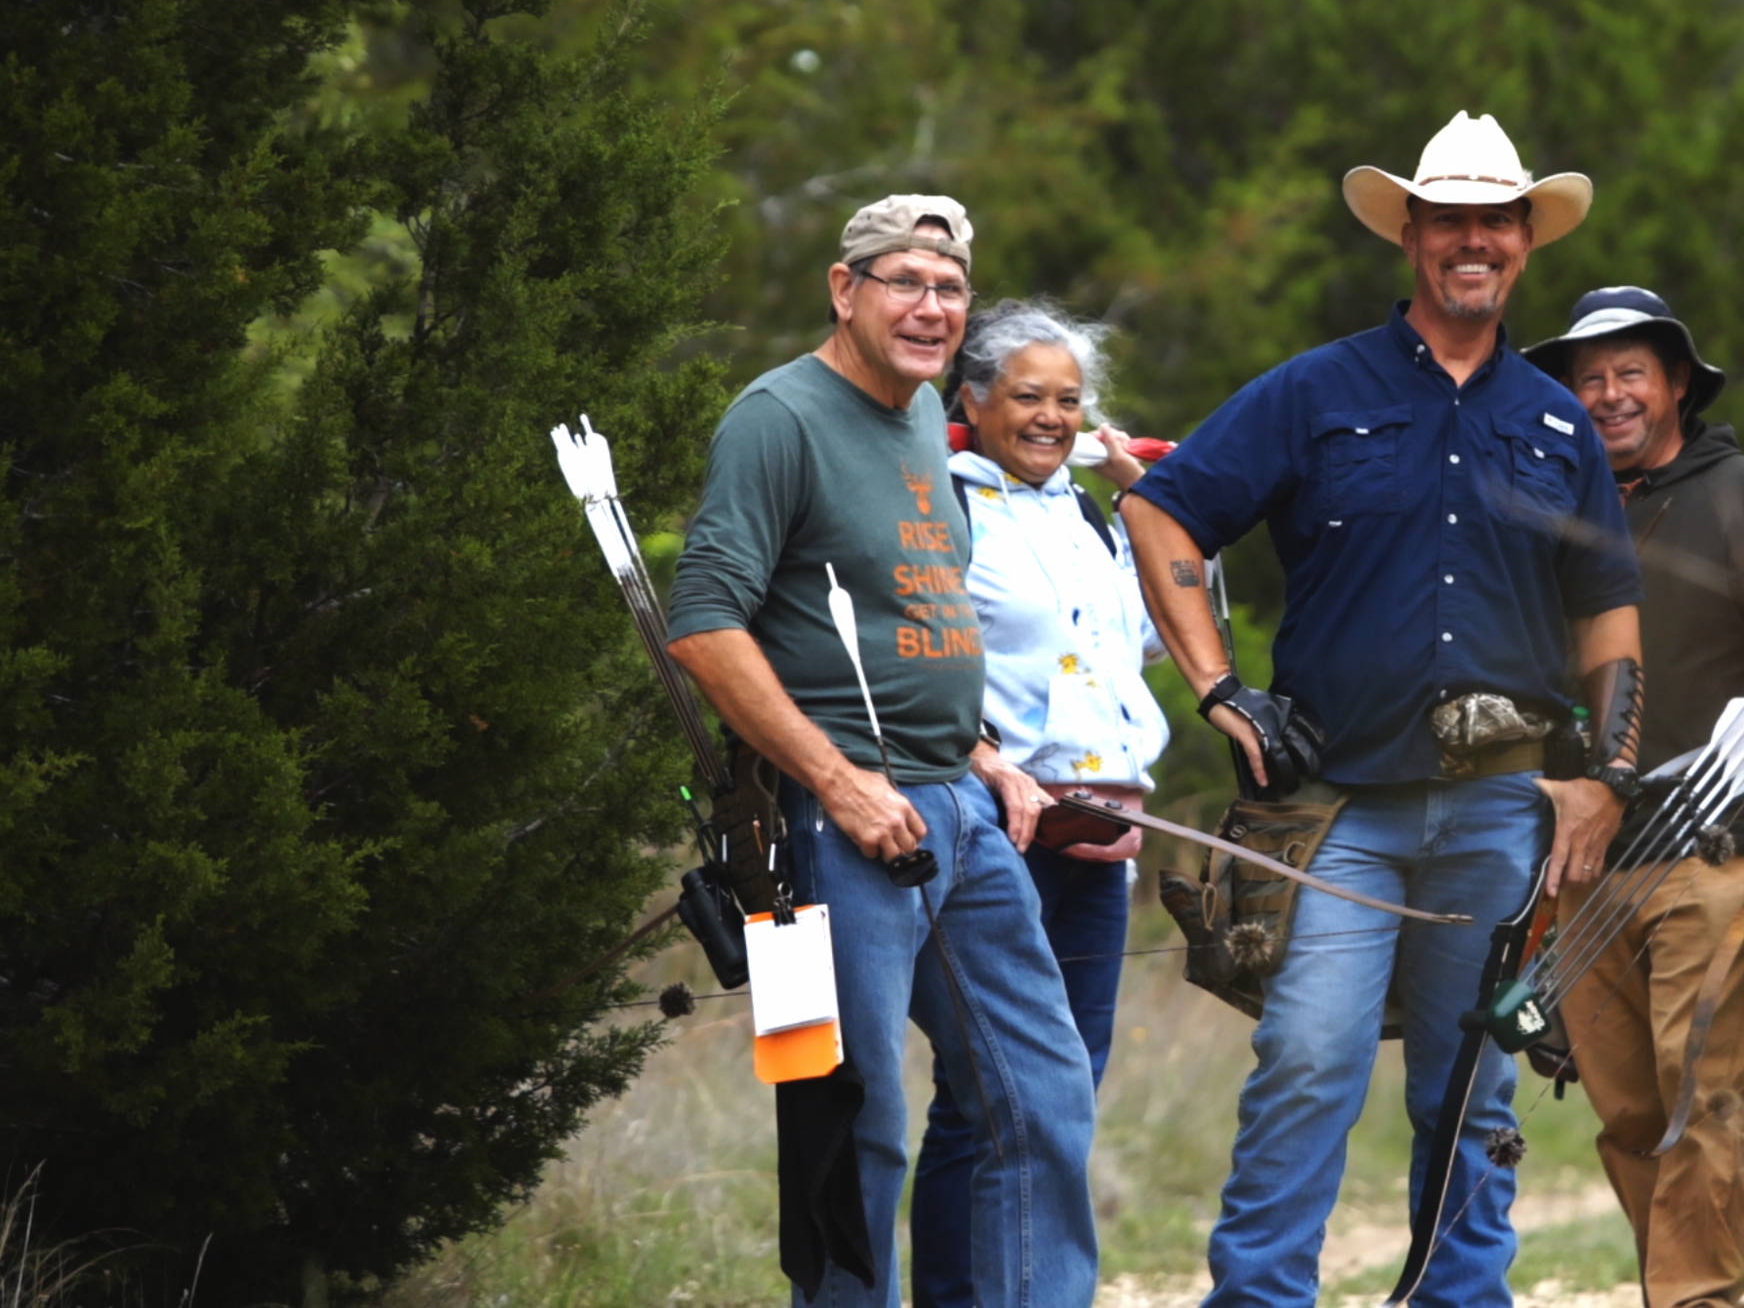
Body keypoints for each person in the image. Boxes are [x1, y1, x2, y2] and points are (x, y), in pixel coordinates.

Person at [1120, 112, 1647, 1308]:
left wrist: (1607, 774)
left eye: (1495, 221)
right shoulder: (1314, 390)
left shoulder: (1559, 422)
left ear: (1524, 241)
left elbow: (1607, 614)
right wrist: (1217, 685)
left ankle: (1461, 1296)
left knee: (1472, 1078)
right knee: (1307, 1058)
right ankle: (1257, 1297)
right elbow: (1161, 512)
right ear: (1409, 234)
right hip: (1333, 804)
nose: (1473, 240)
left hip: (1502, 808)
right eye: (1449, 218)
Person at [664, 195, 1098, 1308]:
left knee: (1040, 1090)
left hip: (956, 806)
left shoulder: (917, 416)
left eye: (950, 287)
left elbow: (912, 611)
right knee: (851, 1123)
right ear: (843, 288)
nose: (931, 305)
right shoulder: (779, 417)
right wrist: (836, 778)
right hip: (830, 829)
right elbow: (706, 621)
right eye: (903, 280)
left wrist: (989, 748)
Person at [1523, 285, 1744, 1308]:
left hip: (1717, 850)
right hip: (1581, 859)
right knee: (1625, 1108)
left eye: (1630, 372)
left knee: (1698, 1098)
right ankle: (1679, 1285)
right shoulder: (1555, 506)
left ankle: (1695, 1299)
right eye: (1589, 379)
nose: (1609, 394)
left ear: (1674, 384)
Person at [910, 299, 1168, 1307]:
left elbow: (1144, 641)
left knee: (1064, 1095)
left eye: (1068, 399)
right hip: (995, 834)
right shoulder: (940, 505)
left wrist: (1148, 494)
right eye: (1027, 395)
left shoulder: (1088, 510)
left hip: (1099, 839)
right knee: (983, 1098)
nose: (1052, 417)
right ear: (970, 397)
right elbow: (916, 663)